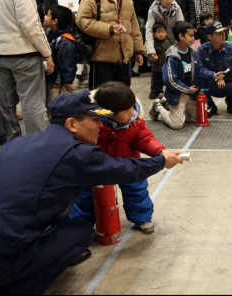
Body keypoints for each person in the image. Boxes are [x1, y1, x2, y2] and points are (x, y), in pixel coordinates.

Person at [0, 90, 184, 295]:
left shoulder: (19, 143)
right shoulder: (75, 154)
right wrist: (161, 161)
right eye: (95, 120)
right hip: (3, 253)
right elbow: (123, 170)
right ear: (72, 124)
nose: (101, 126)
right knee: (81, 234)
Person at [70, 82, 168, 234]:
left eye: (132, 108)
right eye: (127, 111)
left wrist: (161, 152)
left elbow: (145, 139)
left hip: (128, 163)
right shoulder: (93, 124)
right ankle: (81, 225)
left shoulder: (135, 121)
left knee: (137, 191)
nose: (132, 113)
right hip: (97, 166)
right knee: (85, 196)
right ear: (108, 112)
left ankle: (142, 218)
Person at [0, 0, 54, 135]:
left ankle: (12, 148)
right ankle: (36, 147)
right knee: (33, 104)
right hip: (24, 55)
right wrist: (47, 53)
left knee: (5, 105)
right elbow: (31, 26)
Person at [76, 0, 145, 89]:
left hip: (124, 60)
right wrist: (109, 29)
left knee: (123, 99)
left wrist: (138, 50)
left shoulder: (127, 1)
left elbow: (134, 28)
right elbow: (83, 21)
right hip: (102, 58)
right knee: (101, 100)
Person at [196, 21, 232, 114]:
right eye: (218, 33)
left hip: (230, 82)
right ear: (210, 37)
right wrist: (214, 75)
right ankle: (209, 104)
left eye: (223, 32)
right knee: (195, 81)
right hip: (211, 82)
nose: (223, 35)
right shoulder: (202, 50)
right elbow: (199, 70)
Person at [149, 21, 198, 129]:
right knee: (177, 124)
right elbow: (170, 80)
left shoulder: (193, 52)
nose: (193, 38)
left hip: (190, 93)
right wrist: (186, 89)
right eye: (190, 35)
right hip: (178, 93)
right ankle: (158, 106)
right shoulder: (172, 56)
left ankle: (167, 103)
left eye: (193, 35)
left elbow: (199, 70)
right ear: (180, 36)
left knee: (194, 119)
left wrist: (213, 75)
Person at [145, 0, 184, 98]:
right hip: (158, 42)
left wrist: (181, 46)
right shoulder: (153, 10)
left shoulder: (176, 8)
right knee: (157, 68)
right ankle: (156, 90)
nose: (169, 1)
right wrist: (151, 51)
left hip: (172, 41)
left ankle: (173, 88)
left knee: (173, 67)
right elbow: (148, 30)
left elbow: (180, 26)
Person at [122, 0, 152, 77]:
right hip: (137, 9)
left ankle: (132, 66)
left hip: (125, 7)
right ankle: (137, 65)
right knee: (139, 35)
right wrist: (148, 4)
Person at [44, 5, 81, 104]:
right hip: (51, 79)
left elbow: (68, 62)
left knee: (57, 105)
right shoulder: (52, 34)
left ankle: (60, 120)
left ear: (55, 21)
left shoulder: (64, 41)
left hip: (59, 82)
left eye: (48, 15)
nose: (44, 17)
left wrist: (67, 81)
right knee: (50, 104)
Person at [147, 23, 173, 100]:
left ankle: (167, 92)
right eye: (158, 32)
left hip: (167, 66)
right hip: (157, 66)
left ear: (166, 33)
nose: (161, 34)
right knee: (156, 80)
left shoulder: (169, 42)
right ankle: (155, 91)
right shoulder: (152, 43)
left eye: (162, 32)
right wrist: (151, 57)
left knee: (167, 80)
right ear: (154, 34)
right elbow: (148, 53)